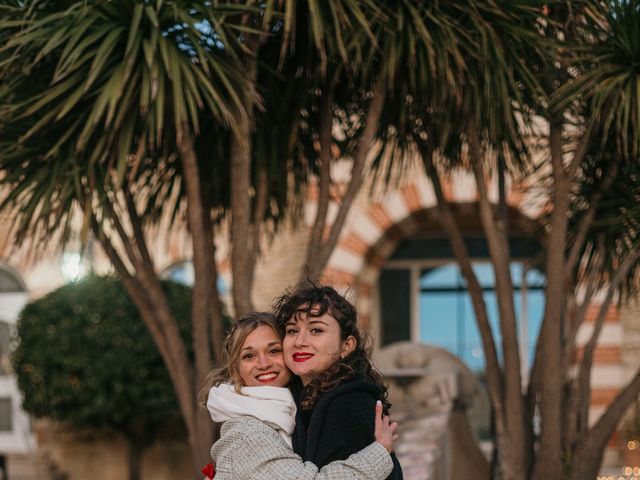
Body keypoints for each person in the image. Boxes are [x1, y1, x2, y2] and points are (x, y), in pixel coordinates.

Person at [201, 311, 398, 480]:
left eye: (273, 350)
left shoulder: (289, 414)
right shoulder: (247, 433)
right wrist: (379, 452)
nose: (263, 363)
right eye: (249, 356)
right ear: (236, 369)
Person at [273, 285, 404, 480]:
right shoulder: (300, 397)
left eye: (316, 330)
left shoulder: (348, 403)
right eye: (292, 331)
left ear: (347, 345)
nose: (300, 341)